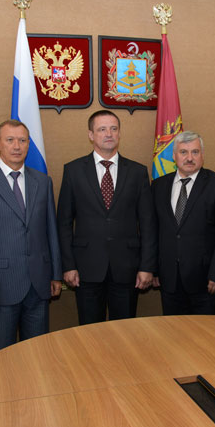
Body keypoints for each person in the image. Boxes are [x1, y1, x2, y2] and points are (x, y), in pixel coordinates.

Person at [0, 120, 62, 354]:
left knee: (38, 353)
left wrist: (55, 274)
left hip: (39, 285)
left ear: (28, 145)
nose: (17, 146)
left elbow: (51, 230)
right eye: (10, 140)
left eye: (22, 140)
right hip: (0, 288)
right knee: (1, 355)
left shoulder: (43, 182)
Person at [57, 110, 157, 324]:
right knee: (90, 332)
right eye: (102, 129)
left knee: (125, 330)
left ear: (119, 133)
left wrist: (147, 266)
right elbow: (63, 223)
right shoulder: (73, 171)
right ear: (91, 135)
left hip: (127, 268)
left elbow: (148, 224)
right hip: (86, 268)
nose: (108, 134)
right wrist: (68, 265)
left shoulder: (138, 172)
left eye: (113, 129)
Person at [151, 131, 215, 315]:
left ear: (202, 155)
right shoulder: (158, 186)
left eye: (195, 152)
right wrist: (155, 269)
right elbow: (155, 231)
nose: (189, 158)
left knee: (207, 332)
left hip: (206, 281)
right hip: (170, 280)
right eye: (183, 152)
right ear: (174, 156)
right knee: (172, 331)